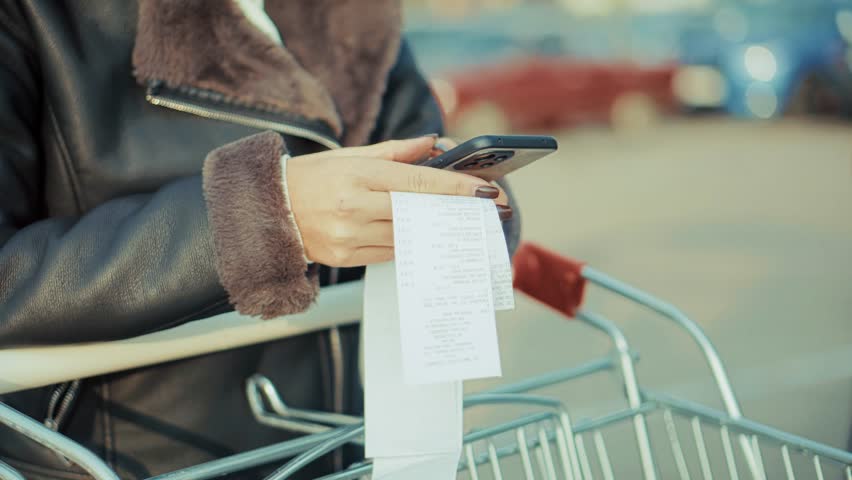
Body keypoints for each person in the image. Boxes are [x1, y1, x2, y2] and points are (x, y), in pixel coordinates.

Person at [0, 1, 519, 479]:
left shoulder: (354, 16)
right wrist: (267, 214)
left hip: (336, 450)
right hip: (124, 461)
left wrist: (463, 200)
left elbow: (421, 154)